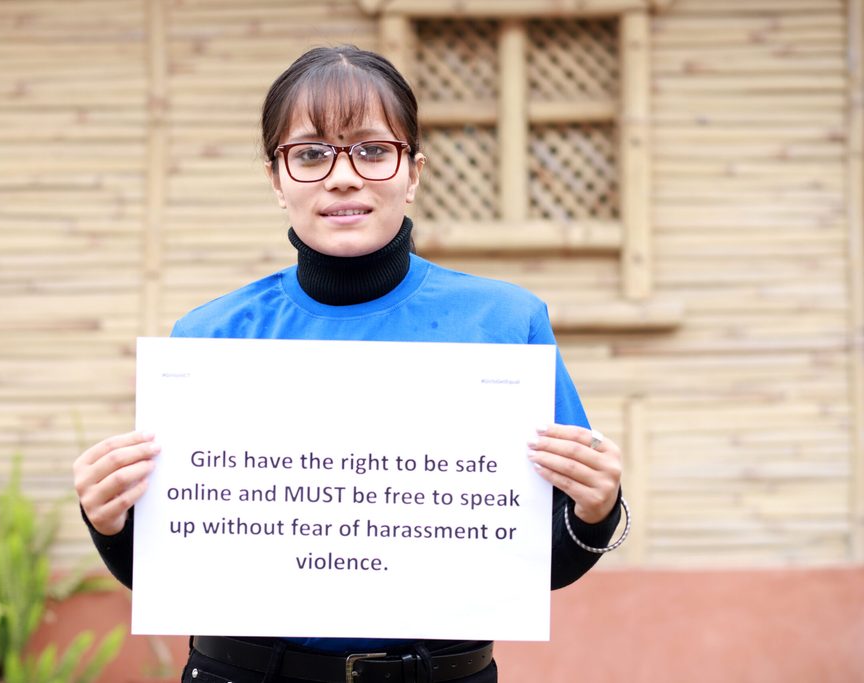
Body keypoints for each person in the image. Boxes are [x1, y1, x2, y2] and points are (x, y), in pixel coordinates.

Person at [74, 45, 626, 683]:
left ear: (412, 173)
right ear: (276, 179)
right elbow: (178, 568)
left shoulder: (504, 323)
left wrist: (597, 509)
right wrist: (109, 520)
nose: (343, 176)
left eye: (372, 149)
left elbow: (541, 563)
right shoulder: (208, 338)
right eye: (311, 154)